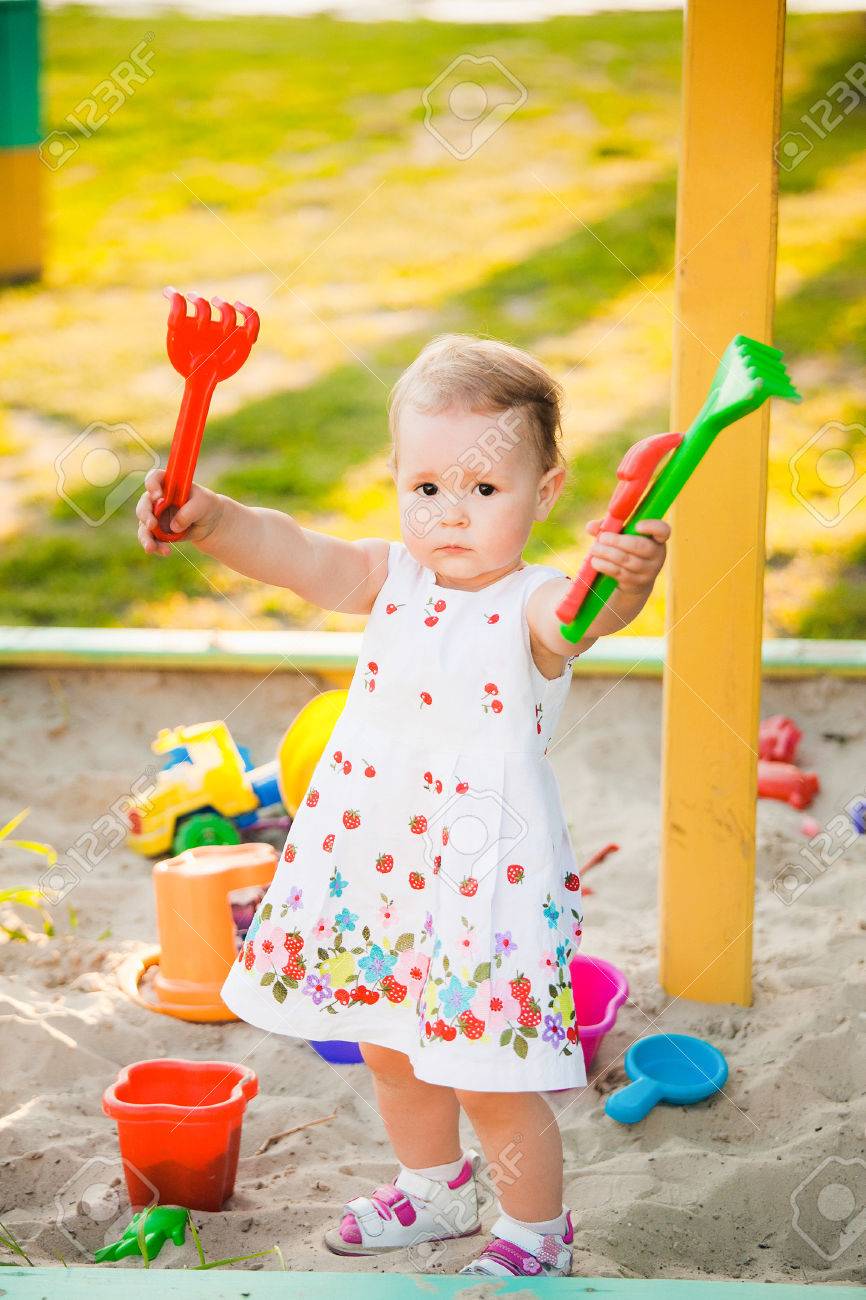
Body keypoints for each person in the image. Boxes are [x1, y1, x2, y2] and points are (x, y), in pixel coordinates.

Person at [136, 333, 670, 1278]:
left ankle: (537, 1231)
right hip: (373, 867)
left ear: (545, 494)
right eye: (426, 489)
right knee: (387, 1047)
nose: (450, 516)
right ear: (396, 484)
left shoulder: (532, 603)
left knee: (486, 1074)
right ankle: (433, 1188)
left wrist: (625, 577)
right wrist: (209, 516)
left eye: (483, 490)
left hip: (479, 882)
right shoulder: (396, 578)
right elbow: (295, 552)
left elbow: (584, 617)